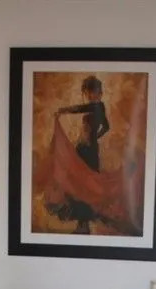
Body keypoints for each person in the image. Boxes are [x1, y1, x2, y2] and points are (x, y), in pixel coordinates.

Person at [54, 76, 110, 233]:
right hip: (82, 148)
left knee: (85, 185)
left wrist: (62, 110)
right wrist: (92, 137)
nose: (91, 95)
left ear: (100, 93)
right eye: (88, 92)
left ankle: (84, 224)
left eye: (94, 92)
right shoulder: (96, 107)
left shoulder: (98, 106)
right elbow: (106, 127)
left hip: (89, 151)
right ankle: (82, 224)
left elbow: (81, 109)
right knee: (78, 183)